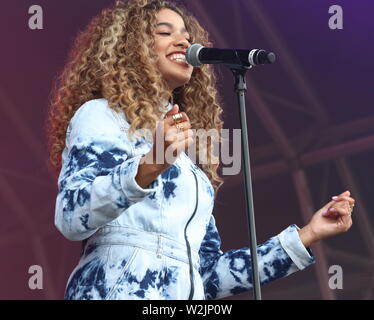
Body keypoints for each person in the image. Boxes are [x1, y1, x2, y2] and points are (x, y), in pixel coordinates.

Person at [46, 0, 355, 300]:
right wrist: (148, 167)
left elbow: (207, 275)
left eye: (187, 36)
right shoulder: (102, 115)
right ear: (131, 47)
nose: (182, 40)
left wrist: (307, 235)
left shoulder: (189, 163)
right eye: (165, 33)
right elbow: (72, 216)